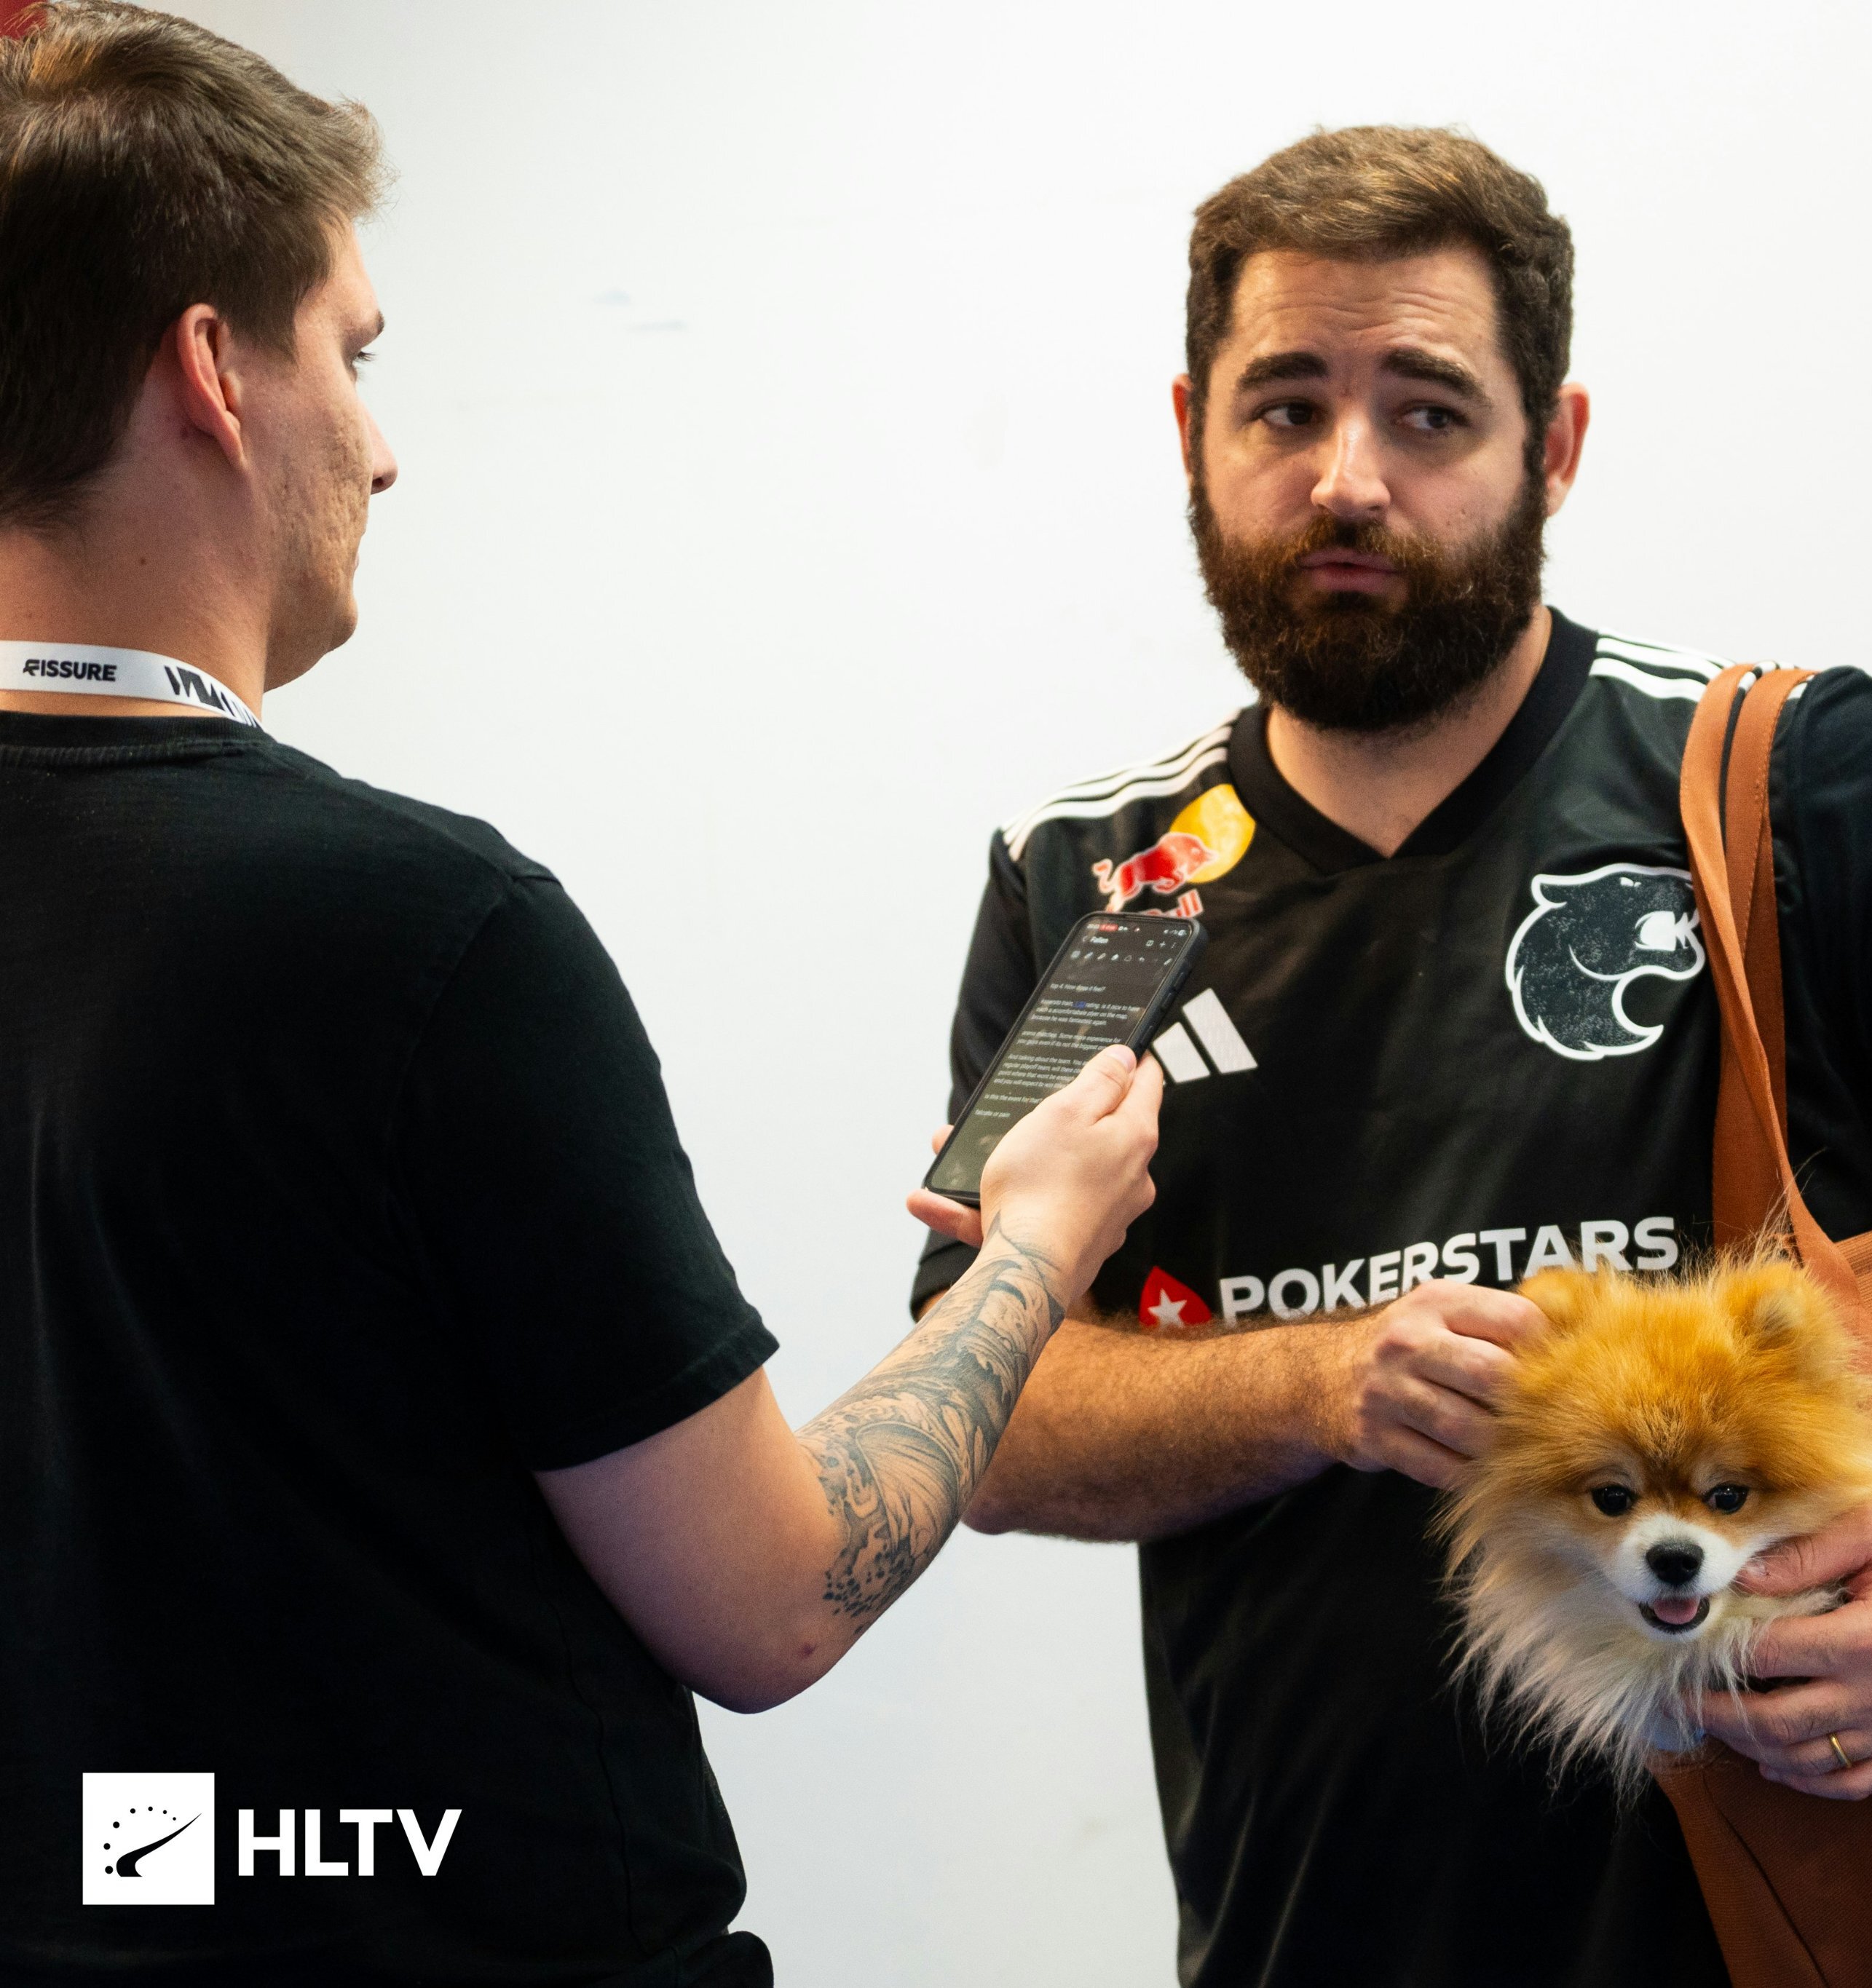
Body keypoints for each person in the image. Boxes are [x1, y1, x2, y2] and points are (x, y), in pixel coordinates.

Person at [908, 124, 1872, 1987]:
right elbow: (980, 1418)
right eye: (1285, 407)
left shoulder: (1802, 782)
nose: (1346, 476)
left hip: (1817, 1934)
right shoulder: (1094, 883)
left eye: (1428, 411)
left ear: (1554, 445)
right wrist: (1318, 1385)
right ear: (1192, 431)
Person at [0, 8, 1160, 1982]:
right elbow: (774, 1597)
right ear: (214, 370)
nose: (383, 445)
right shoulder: (417, 932)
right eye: (352, 353)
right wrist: (1036, 1250)